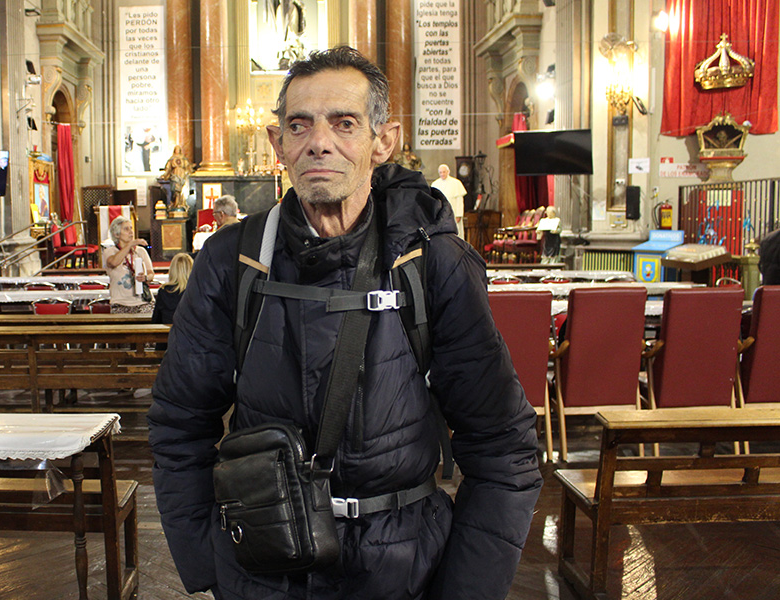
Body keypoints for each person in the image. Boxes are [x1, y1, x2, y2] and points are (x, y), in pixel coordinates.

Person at [148, 47, 541, 600]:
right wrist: (212, 566)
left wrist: (465, 589)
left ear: (384, 141)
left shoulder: (430, 263)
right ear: (278, 143)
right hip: (265, 572)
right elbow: (179, 424)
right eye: (299, 125)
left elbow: (503, 445)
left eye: (345, 123)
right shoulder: (231, 261)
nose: (319, 142)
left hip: (401, 571)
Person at [102, 216, 155, 314]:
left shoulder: (141, 251)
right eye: (126, 229)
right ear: (116, 234)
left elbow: (151, 273)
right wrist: (130, 244)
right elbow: (114, 262)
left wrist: (146, 277)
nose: (131, 231)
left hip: (143, 302)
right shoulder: (109, 251)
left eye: (131, 228)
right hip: (120, 303)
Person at [151, 252, 194, 350]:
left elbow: (156, 319)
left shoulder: (164, 290)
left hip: (167, 341)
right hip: (190, 342)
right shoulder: (196, 290)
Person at [431, 163, 467, 237]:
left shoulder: (456, 183)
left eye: (444, 172)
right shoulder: (435, 184)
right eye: (440, 172)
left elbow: (459, 201)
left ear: (448, 172)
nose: (442, 174)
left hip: (454, 213)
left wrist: (459, 215)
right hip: (440, 215)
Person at [161, 145, 193, 213]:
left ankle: (181, 204)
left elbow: (188, 167)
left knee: (181, 191)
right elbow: (168, 168)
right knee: (175, 190)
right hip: (175, 175)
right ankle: (175, 204)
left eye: (178, 149)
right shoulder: (172, 159)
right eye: (176, 149)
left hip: (182, 175)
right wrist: (165, 174)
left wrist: (190, 171)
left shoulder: (183, 159)